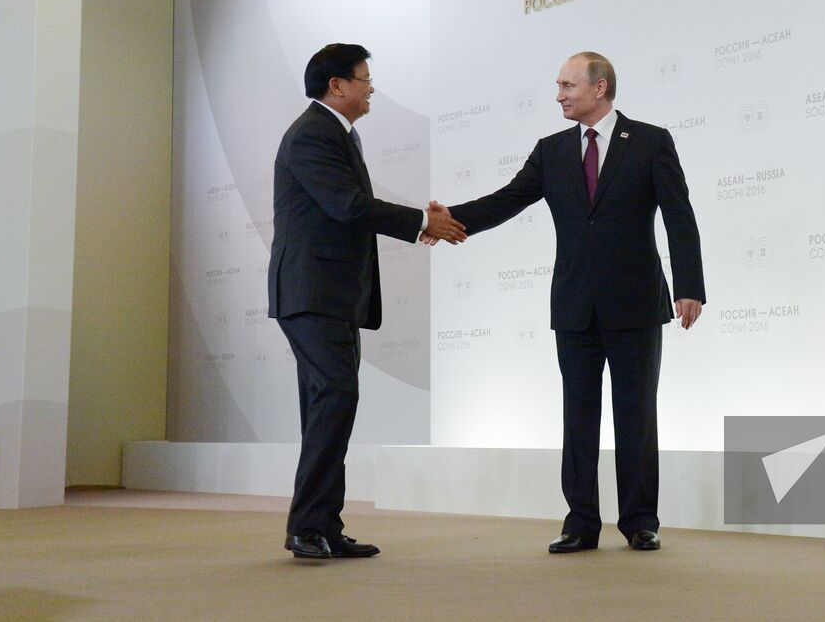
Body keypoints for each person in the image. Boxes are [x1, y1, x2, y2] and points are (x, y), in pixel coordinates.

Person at [444, 51, 705, 553]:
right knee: (578, 416)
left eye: (567, 85)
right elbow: (507, 199)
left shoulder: (650, 141)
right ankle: (580, 521)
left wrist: (690, 286)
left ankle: (639, 521)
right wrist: (448, 219)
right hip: (574, 306)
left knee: (636, 416)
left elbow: (679, 217)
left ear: (600, 88)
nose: (559, 94)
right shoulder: (551, 150)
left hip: (636, 304)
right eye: (558, 86)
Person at [268, 43, 465, 559]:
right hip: (311, 294)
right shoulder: (313, 134)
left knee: (328, 406)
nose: (371, 87)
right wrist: (424, 222)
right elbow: (347, 206)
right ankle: (307, 527)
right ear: (338, 85)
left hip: (329, 296)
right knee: (334, 401)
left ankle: (322, 526)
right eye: (364, 78)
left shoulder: (334, 133)